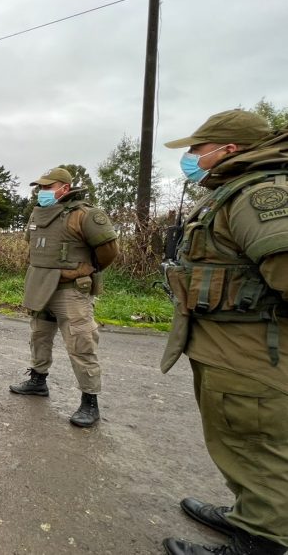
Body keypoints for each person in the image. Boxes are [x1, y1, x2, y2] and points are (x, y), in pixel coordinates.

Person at [159, 110, 287, 555]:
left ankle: (262, 542)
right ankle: (248, 516)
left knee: (257, 445)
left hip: (252, 351)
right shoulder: (232, 192)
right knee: (236, 439)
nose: (192, 157)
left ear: (229, 149)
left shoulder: (261, 195)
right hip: (227, 346)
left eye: (197, 148)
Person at [8, 167, 118, 428]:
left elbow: (109, 251)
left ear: (64, 188)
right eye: (41, 187)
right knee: (39, 336)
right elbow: (32, 243)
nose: (42, 192)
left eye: (48, 187)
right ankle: (37, 381)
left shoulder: (85, 215)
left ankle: (90, 402)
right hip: (40, 286)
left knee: (81, 343)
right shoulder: (38, 213)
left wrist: (85, 270)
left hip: (70, 291)